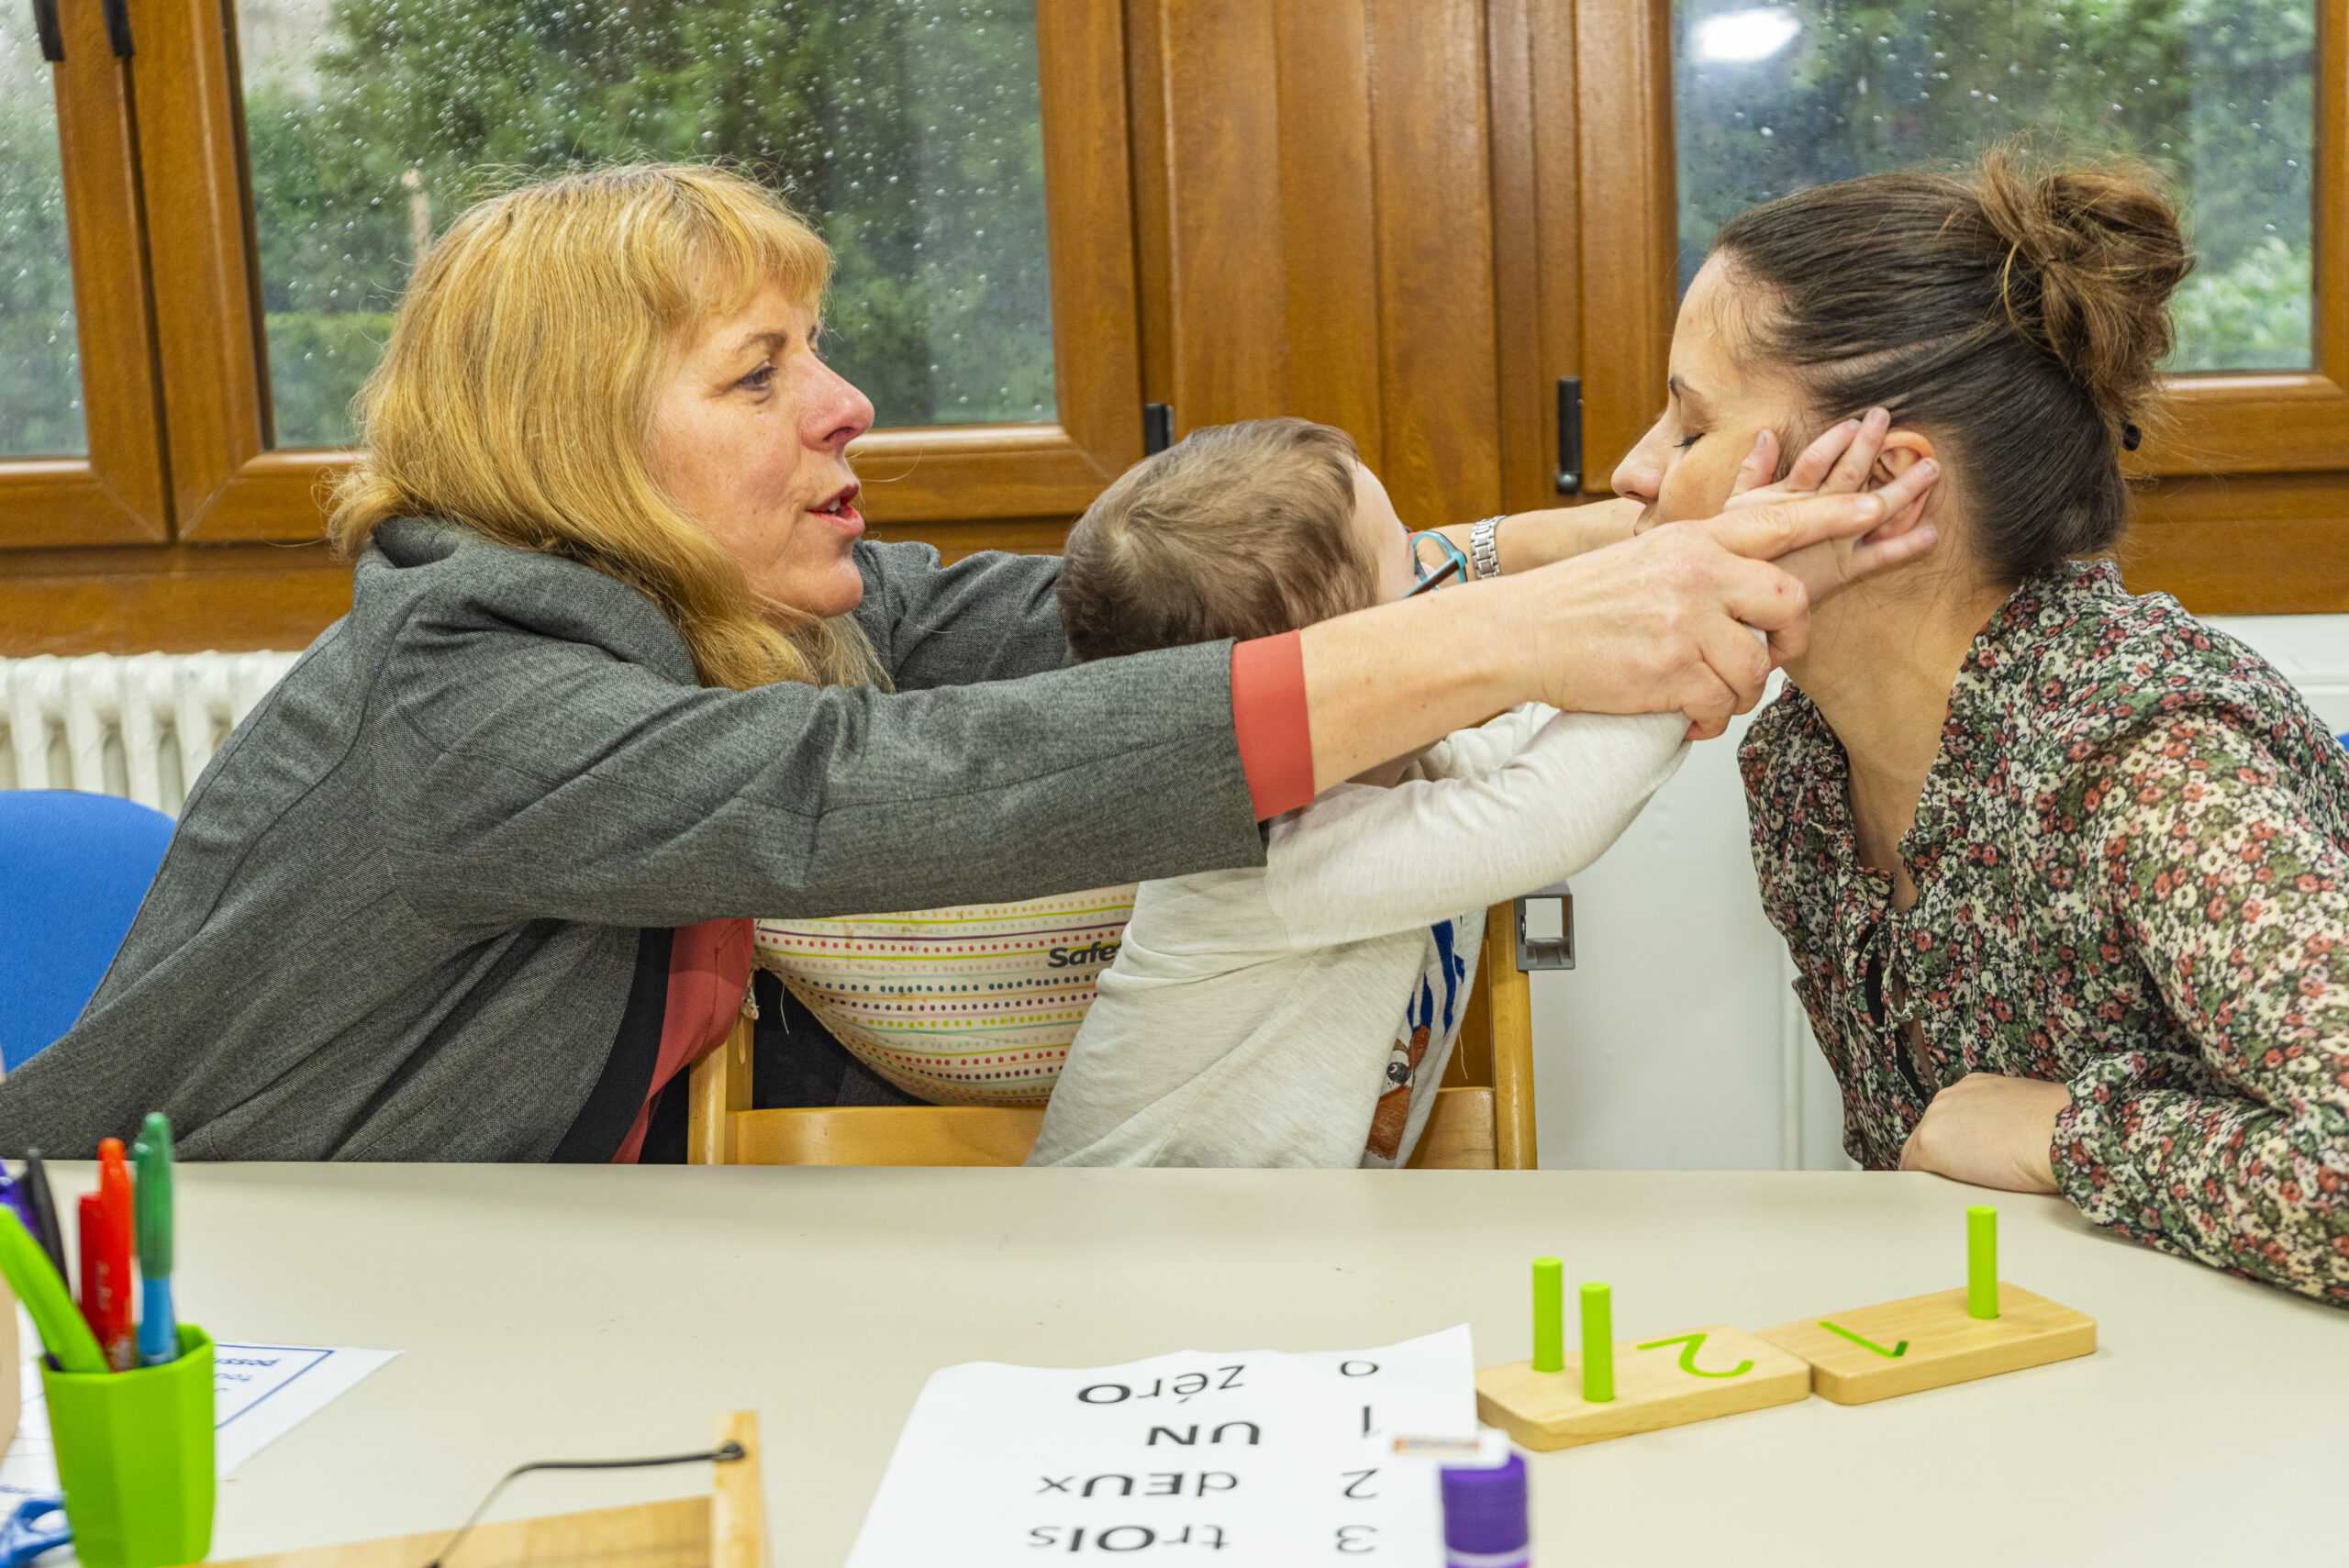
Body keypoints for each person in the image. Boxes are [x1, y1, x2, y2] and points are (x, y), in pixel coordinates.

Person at [0, 163, 1926, 1162]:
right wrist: (1495, 635)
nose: (844, 401)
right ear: (582, 441)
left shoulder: (719, 604)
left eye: (816, 347)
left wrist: (1583, 546)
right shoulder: (471, 691)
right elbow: (868, 795)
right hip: (184, 1288)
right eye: (758, 373)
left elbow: (1053, 622)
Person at [1612, 150, 2349, 1304]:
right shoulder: (1801, 768)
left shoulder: (2152, 762)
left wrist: (2067, 1133)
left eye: (1690, 425)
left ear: (1881, 481)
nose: (1633, 469)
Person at [1028, 419, 1691, 1166]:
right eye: (1420, 580)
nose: (1451, 593)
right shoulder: (1275, 855)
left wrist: (1665, 592)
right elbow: (1548, 811)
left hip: (1270, 1231)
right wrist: (1707, 627)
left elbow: (1531, 750)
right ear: (1333, 680)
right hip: (1119, 1234)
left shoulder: (1401, 769)